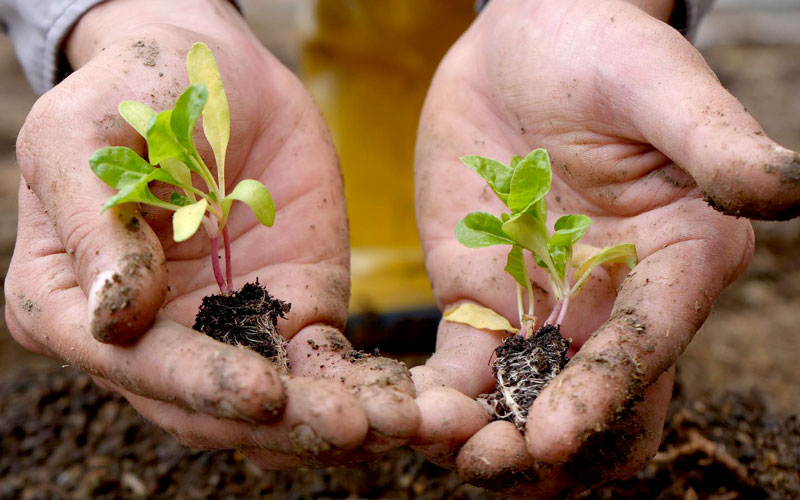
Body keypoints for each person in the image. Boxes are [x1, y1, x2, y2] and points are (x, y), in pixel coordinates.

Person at [2, 0, 797, 496]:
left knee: (472, 254)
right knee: (356, 183)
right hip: (311, 144)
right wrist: (138, 15)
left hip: (505, 92)